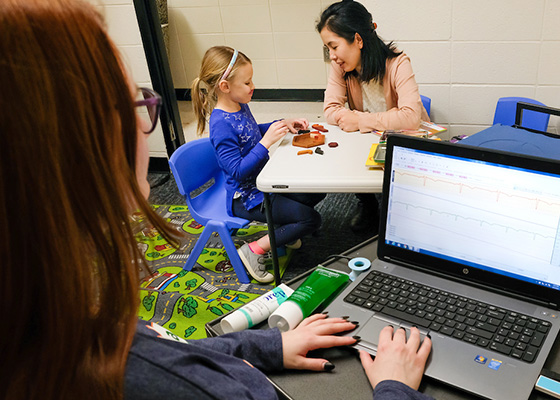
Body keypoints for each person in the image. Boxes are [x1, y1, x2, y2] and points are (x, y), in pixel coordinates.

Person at [0, 1, 432, 399]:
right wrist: (395, 389)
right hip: (245, 195)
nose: (144, 119)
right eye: (133, 101)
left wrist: (264, 344)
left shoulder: (84, 334)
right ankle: (263, 248)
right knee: (305, 214)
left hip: (262, 336)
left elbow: (179, 351)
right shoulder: (142, 373)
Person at [191, 46, 326, 283]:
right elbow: (236, 170)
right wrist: (266, 143)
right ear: (225, 86)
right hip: (246, 197)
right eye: (247, 83)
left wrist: (282, 123)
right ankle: (253, 249)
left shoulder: (239, 105)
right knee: (310, 219)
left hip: (264, 181)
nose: (253, 86)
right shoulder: (221, 124)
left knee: (317, 188)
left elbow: (250, 132)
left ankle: (285, 231)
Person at [317, 0, 430, 232]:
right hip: (370, 139)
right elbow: (330, 110)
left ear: (358, 40)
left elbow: (410, 118)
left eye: (334, 46)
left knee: (405, 221)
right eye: (328, 48)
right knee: (349, 148)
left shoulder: (398, 62)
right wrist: (359, 120)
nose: (332, 56)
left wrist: (358, 119)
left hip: (403, 139)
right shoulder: (341, 67)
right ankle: (368, 203)